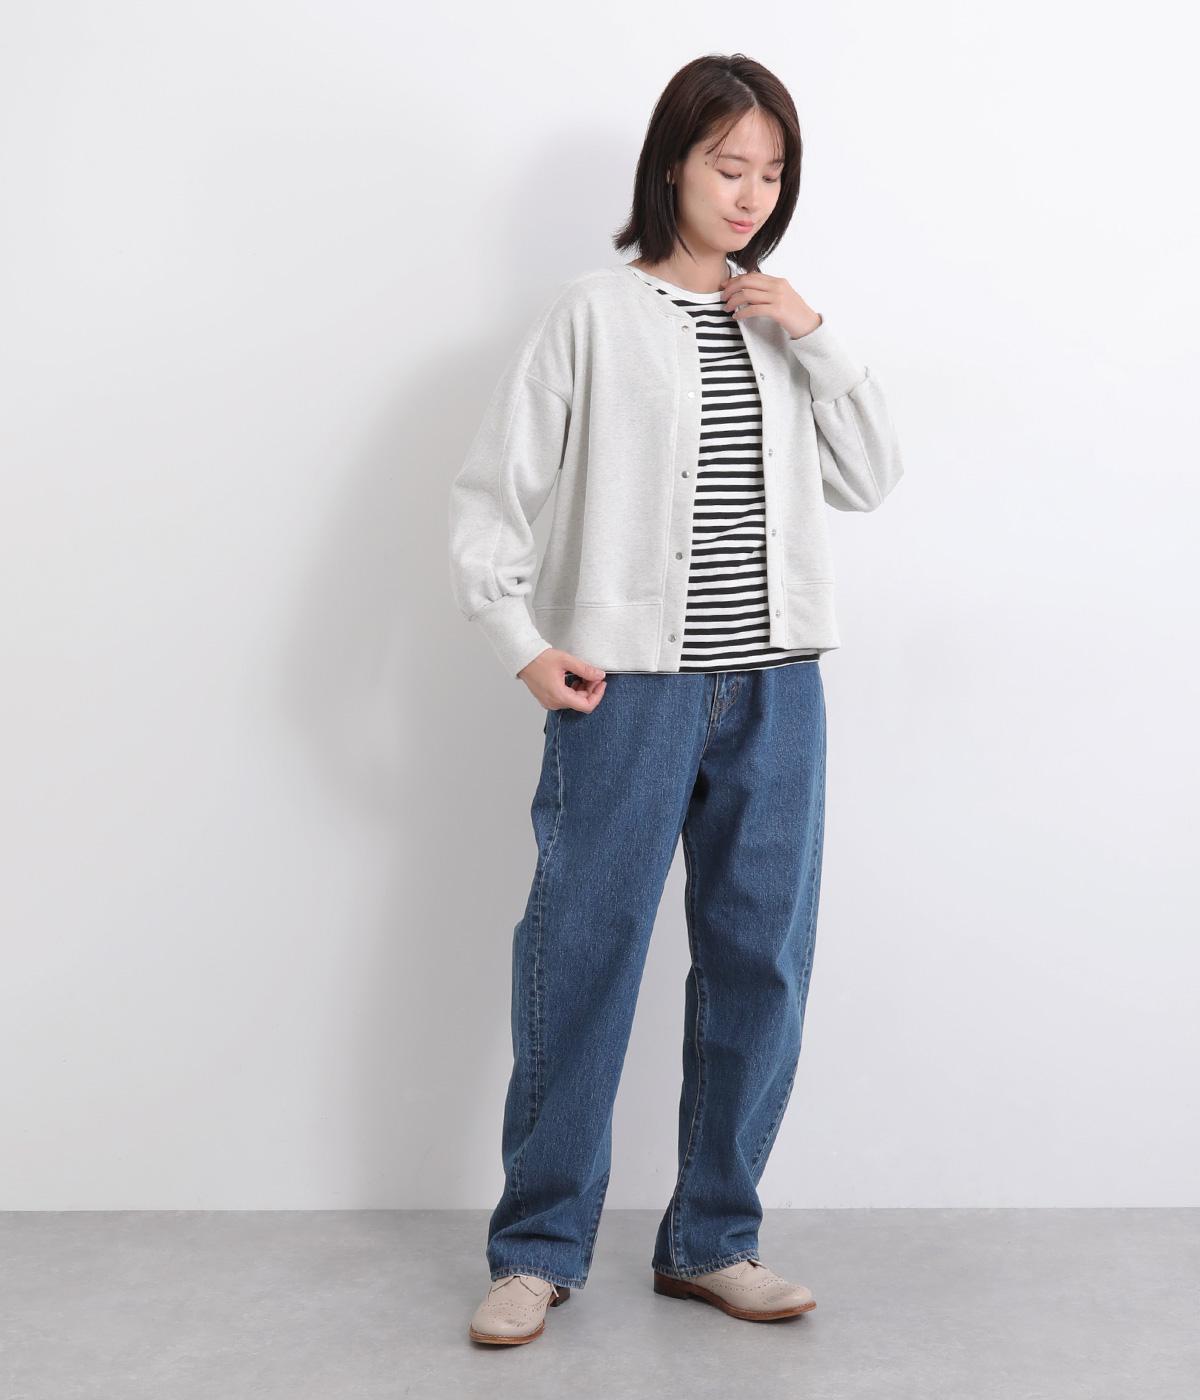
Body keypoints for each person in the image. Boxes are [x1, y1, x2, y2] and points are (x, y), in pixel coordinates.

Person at [448, 52, 905, 1346]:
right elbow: (491, 496)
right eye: (728, 165)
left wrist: (813, 333)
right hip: (628, 691)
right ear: (673, 166)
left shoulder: (784, 327)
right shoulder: (592, 316)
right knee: (582, 956)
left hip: (777, 690)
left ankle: (714, 1238)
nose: (751, 193)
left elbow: (873, 475)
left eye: (772, 172)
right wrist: (522, 643)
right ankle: (537, 1249)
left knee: (761, 961)